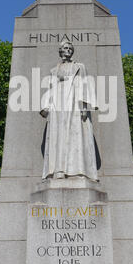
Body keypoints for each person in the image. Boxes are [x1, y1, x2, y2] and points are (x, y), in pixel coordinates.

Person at [40, 41, 98, 182]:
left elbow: (85, 85)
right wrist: (46, 105)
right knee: (58, 138)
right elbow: (51, 89)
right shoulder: (54, 70)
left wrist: (84, 106)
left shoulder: (79, 67)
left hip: (74, 104)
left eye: (70, 49)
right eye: (65, 48)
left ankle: (78, 171)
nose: (68, 51)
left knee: (75, 136)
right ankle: (57, 171)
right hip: (58, 106)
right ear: (60, 51)